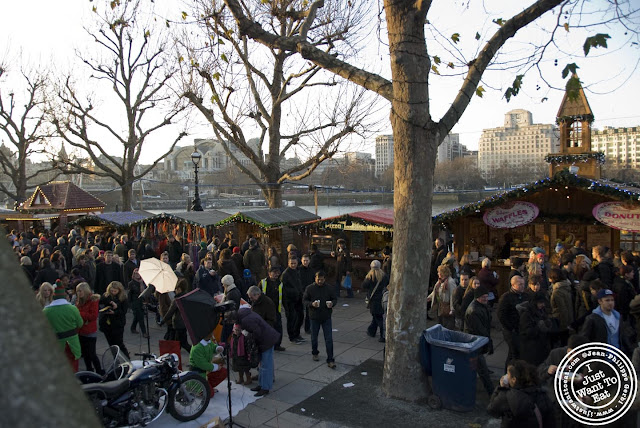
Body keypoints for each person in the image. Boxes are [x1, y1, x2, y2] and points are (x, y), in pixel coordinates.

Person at [487, 360, 555, 428]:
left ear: (514, 379)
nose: (506, 376)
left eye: (508, 374)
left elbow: (492, 410)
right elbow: (550, 422)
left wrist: (500, 388)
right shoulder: (542, 395)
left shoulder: (506, 396)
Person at [237, 305, 281, 397]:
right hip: (266, 339)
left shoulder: (245, 320)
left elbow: (257, 333)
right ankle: (261, 385)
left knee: (266, 366)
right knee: (262, 366)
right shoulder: (246, 315)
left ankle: (265, 388)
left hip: (266, 341)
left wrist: (247, 334)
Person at [581, 288, 636, 357]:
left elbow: (623, 337)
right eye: (607, 300)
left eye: (612, 300)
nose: (610, 303)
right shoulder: (592, 318)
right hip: (601, 358)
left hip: (617, 357)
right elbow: (585, 339)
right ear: (600, 301)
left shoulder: (618, 317)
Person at [43, 280, 84, 372]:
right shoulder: (73, 308)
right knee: (74, 368)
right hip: (73, 343)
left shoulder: (46, 311)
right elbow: (80, 324)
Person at [303, 271, 337, 368]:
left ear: (324, 279)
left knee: (329, 339)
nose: (320, 281)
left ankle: (330, 359)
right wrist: (311, 304)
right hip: (314, 316)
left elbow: (335, 299)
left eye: (321, 279)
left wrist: (332, 304)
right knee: (314, 337)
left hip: (326, 316)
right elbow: (304, 300)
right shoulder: (310, 288)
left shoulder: (329, 288)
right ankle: (315, 352)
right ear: (315, 278)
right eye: (318, 279)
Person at [464, 285, 494, 396]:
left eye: (487, 296)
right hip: (475, 344)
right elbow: (480, 330)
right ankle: (491, 392)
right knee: (482, 370)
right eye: (483, 297)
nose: (486, 299)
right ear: (478, 297)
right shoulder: (474, 310)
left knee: (475, 368)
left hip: (476, 344)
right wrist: (488, 342)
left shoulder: (481, 306)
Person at [498, 275, 527, 371]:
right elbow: (501, 315)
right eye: (520, 284)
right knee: (514, 353)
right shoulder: (506, 298)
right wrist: (510, 327)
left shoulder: (524, 296)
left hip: (520, 329)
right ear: (513, 285)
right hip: (510, 331)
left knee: (514, 353)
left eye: (523, 284)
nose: (523, 286)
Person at [75, 282, 103, 374]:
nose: (78, 293)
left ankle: (99, 371)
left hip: (90, 331)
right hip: (81, 330)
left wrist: (79, 314)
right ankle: (89, 371)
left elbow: (93, 316)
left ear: (85, 290)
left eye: (80, 291)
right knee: (85, 354)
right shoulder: (79, 301)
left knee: (92, 354)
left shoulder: (93, 300)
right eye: (77, 291)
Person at [519, 291, 552, 366]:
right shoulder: (526, 314)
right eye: (541, 303)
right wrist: (539, 327)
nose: (543, 305)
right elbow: (526, 332)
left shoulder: (541, 310)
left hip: (541, 346)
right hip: (531, 349)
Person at [99, 281, 130, 358]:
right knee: (111, 345)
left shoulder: (123, 298)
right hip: (107, 324)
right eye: (111, 291)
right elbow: (101, 303)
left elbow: (124, 311)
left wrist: (116, 310)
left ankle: (127, 358)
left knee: (119, 343)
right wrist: (109, 303)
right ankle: (116, 359)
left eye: (115, 291)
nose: (113, 292)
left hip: (118, 324)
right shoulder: (106, 296)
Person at [160, 278, 192, 353]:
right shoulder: (187, 297)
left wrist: (163, 321)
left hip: (178, 324)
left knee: (183, 343)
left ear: (179, 289)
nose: (175, 291)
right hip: (184, 323)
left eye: (176, 289)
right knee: (178, 342)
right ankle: (176, 354)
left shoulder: (177, 300)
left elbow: (170, 312)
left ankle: (194, 354)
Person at [363, 260, 389, 341]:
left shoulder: (370, 276)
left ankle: (382, 335)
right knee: (376, 316)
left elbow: (364, 286)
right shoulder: (384, 275)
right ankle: (371, 331)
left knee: (378, 317)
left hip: (373, 300)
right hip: (382, 299)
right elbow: (388, 283)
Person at [260, 267, 285, 351]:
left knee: (278, 327)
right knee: (266, 327)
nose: (276, 275)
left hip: (276, 309)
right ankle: (267, 344)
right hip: (265, 310)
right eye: (274, 273)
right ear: (269, 273)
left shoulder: (280, 284)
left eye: (277, 273)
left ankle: (277, 345)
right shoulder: (263, 282)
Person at [281, 256, 305, 344]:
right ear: (288, 263)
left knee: (300, 316)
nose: (293, 265)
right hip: (290, 300)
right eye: (292, 263)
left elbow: (299, 283)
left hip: (298, 297)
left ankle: (297, 334)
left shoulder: (297, 271)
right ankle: (292, 336)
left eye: (295, 263)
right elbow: (284, 288)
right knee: (292, 318)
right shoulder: (285, 274)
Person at [548, 268, 573, 347]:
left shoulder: (557, 292)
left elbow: (563, 309)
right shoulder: (566, 286)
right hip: (569, 319)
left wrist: (565, 325)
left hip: (560, 322)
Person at [427, 265, 457, 330]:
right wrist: (429, 297)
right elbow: (435, 291)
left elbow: (453, 295)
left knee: (448, 325)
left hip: (447, 307)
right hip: (440, 306)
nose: (438, 273)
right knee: (441, 324)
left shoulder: (450, 282)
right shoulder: (440, 281)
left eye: (439, 272)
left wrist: (452, 309)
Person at [220, 274, 242, 342]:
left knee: (224, 337)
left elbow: (228, 308)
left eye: (223, 284)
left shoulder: (230, 294)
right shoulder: (235, 291)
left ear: (226, 284)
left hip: (229, 319)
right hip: (232, 317)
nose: (223, 286)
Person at [128, 268, 148, 338]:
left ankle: (133, 328)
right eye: (136, 273)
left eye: (138, 273)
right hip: (135, 302)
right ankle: (144, 332)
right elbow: (130, 294)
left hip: (142, 301)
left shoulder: (143, 282)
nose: (137, 274)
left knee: (137, 316)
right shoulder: (131, 283)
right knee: (140, 317)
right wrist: (130, 304)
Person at [299, 254, 315, 334]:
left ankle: (307, 328)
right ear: (301, 260)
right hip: (300, 293)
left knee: (309, 313)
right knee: (300, 313)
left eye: (307, 260)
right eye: (304, 260)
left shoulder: (311, 270)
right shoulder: (298, 270)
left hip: (309, 293)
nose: (305, 262)